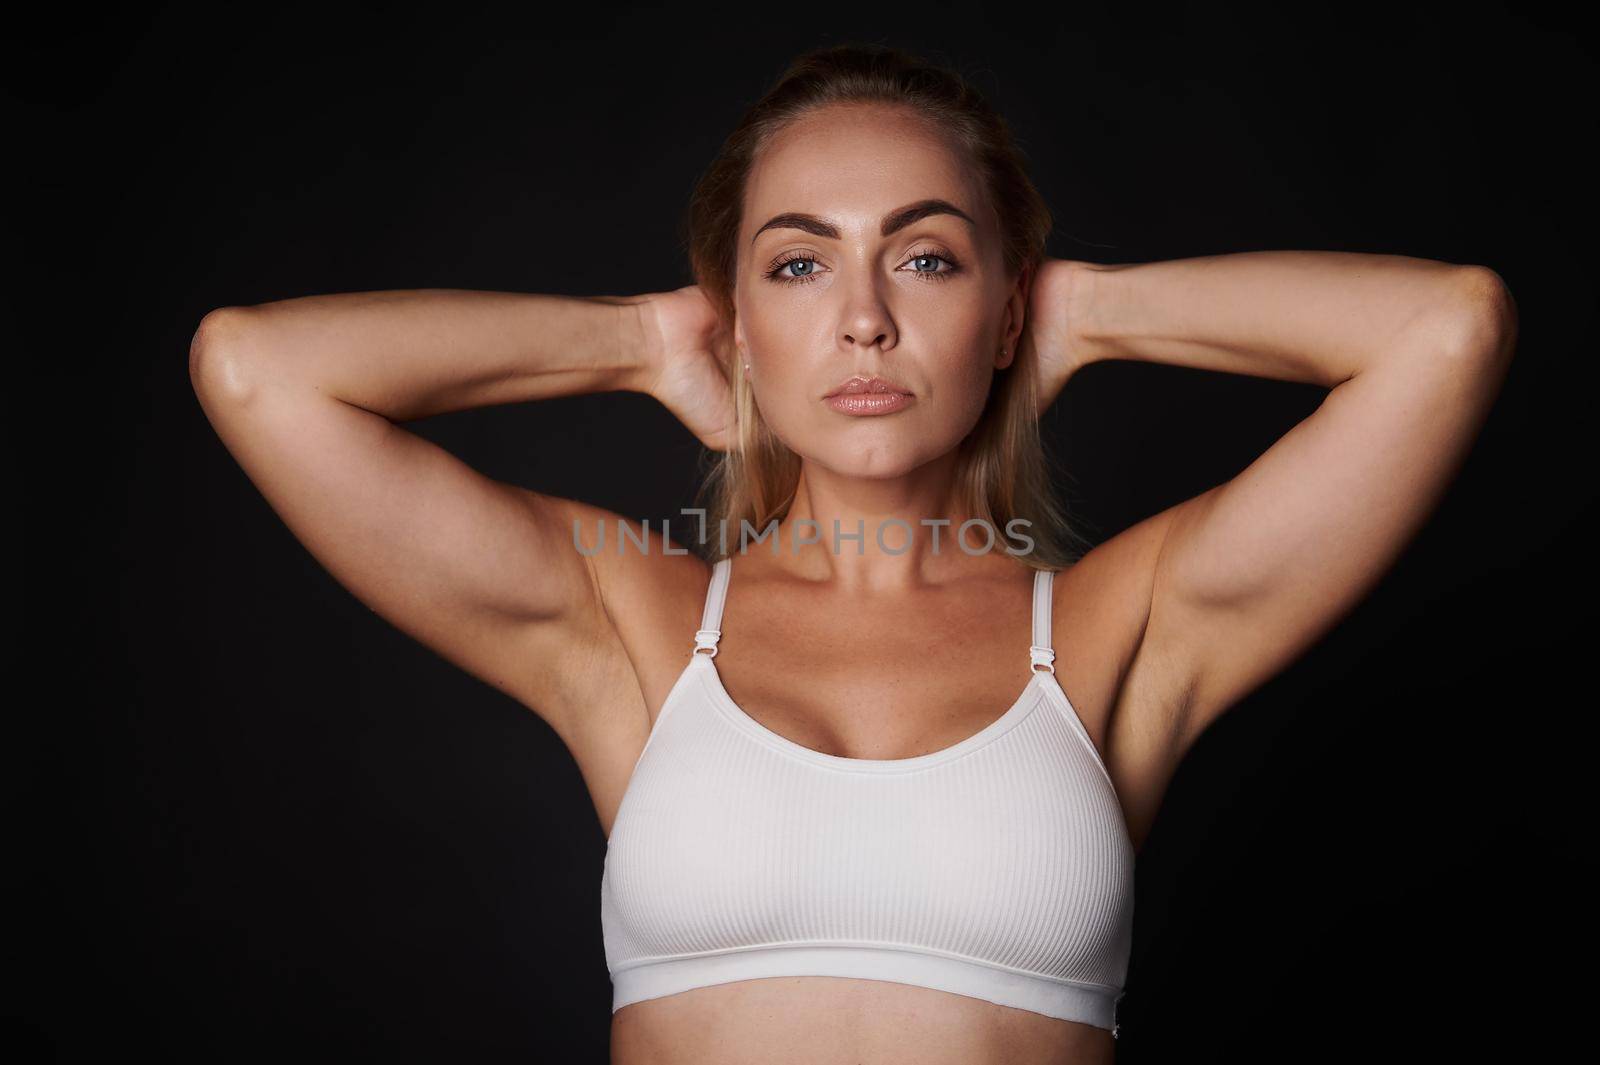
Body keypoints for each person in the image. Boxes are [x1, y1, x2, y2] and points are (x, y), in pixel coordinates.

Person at [187, 42, 1516, 1065]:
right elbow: (256, 371)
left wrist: (1087, 312)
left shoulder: (1126, 623)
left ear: (1003, 314)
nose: (866, 320)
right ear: (740, 322)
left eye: (927, 259)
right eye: (800, 266)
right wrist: (645, 343)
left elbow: (1447, 333)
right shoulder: (632, 617)